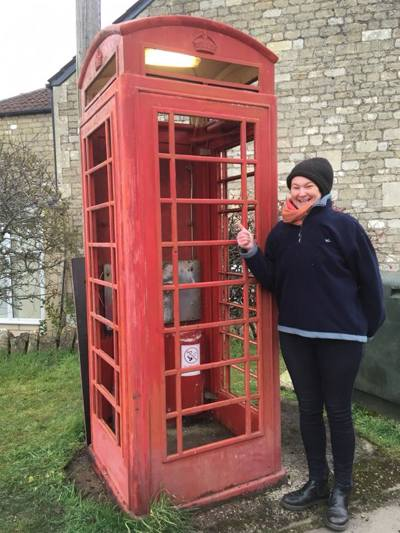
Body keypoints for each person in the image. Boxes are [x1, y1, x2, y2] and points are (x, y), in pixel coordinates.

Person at [236, 157, 385, 532]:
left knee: (338, 412)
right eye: (295, 186)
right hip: (296, 335)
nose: (300, 193)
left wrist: (361, 330)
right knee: (307, 409)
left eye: (308, 186)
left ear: (323, 187)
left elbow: (371, 284)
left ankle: (342, 490)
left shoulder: (344, 227)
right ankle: (318, 482)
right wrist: (251, 250)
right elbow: (273, 280)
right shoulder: (282, 232)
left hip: (340, 339)